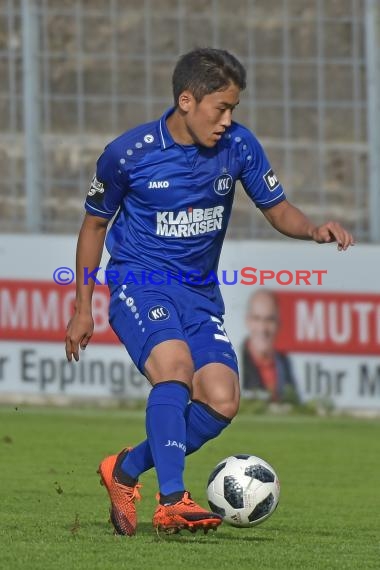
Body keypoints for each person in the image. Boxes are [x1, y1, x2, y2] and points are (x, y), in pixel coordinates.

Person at [65, 48, 354, 536]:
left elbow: (277, 207)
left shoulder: (238, 147)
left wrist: (312, 230)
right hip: (141, 281)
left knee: (221, 399)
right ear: (186, 100)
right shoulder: (128, 154)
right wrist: (82, 308)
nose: (227, 120)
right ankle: (172, 500)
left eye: (233, 109)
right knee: (174, 369)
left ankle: (125, 471)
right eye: (220, 108)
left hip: (199, 294)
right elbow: (94, 225)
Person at [242, 289, 299, 403]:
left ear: (278, 323)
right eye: (257, 319)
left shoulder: (284, 363)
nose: (263, 328)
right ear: (248, 321)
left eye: (269, 320)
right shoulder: (235, 360)